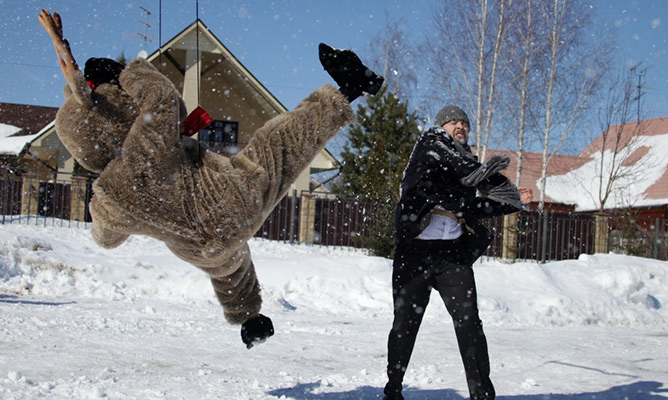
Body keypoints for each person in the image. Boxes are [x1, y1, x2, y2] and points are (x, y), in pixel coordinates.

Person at [38, 10, 383, 349]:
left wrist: (104, 203)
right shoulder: (142, 150)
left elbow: (105, 240)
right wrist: (127, 72)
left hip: (199, 248)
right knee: (277, 146)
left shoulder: (107, 198)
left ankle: (250, 318)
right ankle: (348, 88)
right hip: (228, 199)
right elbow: (161, 99)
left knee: (227, 264)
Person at [383, 106, 533, 400]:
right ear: (441, 127)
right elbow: (454, 182)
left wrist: (512, 200)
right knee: (405, 322)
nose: (460, 125)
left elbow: (472, 206)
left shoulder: (467, 166)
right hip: (415, 252)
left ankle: (482, 394)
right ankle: (394, 389)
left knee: (469, 322)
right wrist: (483, 177)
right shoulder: (431, 145)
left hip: (451, 255)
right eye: (453, 121)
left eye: (464, 123)